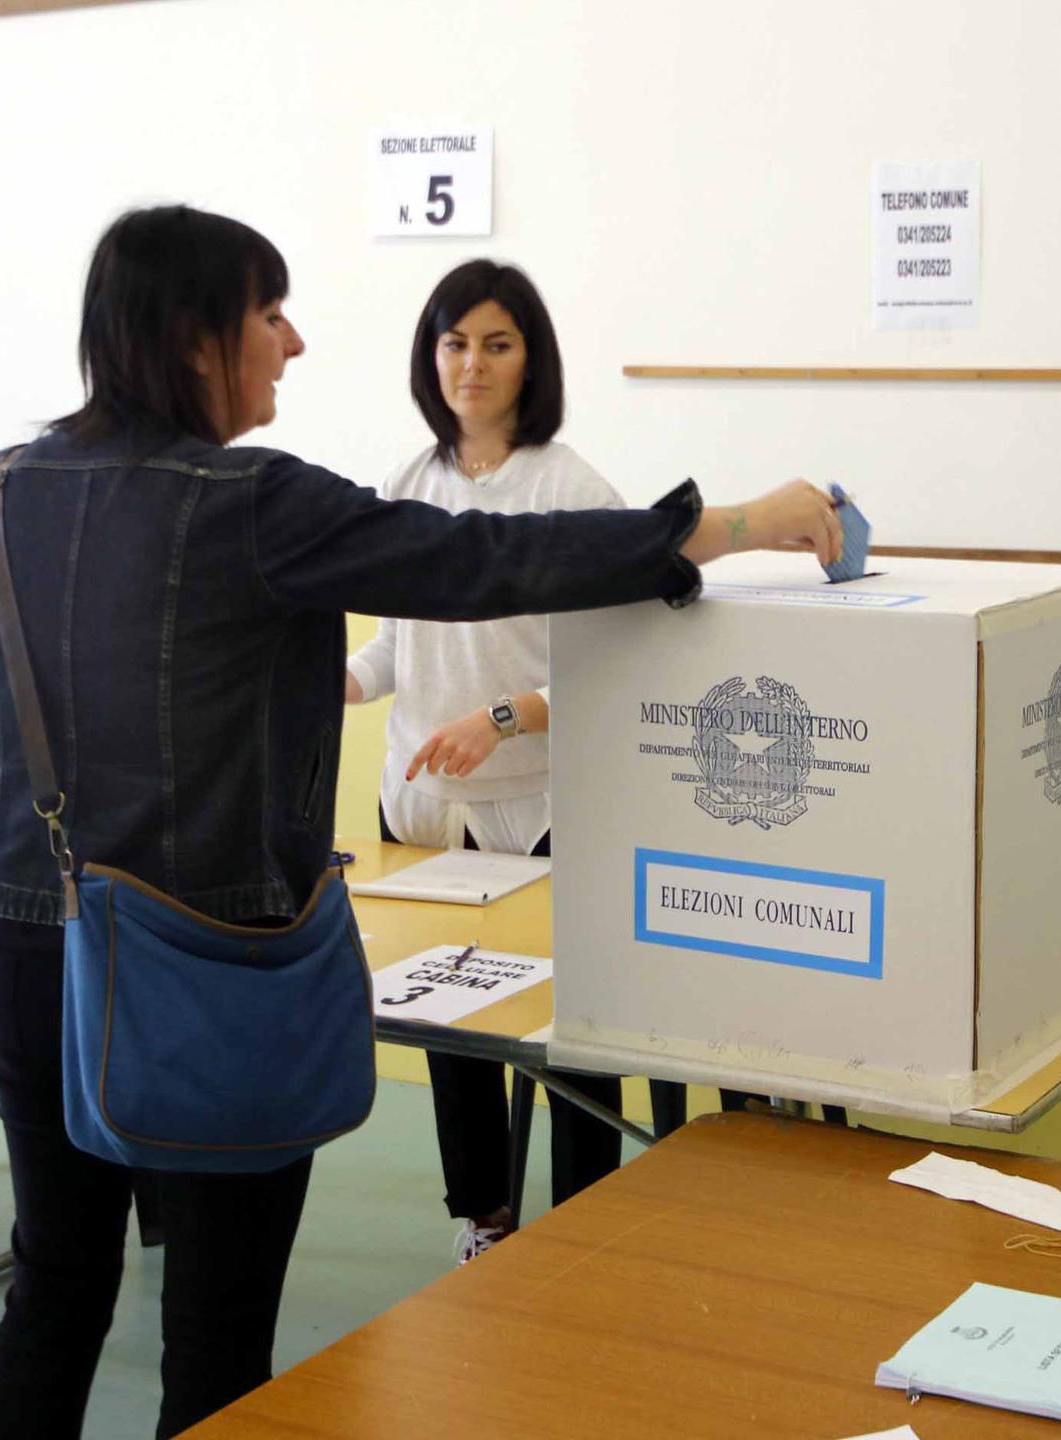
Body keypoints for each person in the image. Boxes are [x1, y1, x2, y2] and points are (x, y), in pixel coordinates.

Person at [0, 203, 842, 1440]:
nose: (292, 343)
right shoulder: (254, 502)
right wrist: (727, 527)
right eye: (270, 314)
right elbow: (488, 564)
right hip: (214, 962)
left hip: (30, 934)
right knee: (216, 1330)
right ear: (201, 338)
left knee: (57, 1283)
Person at [346, 259, 629, 1262]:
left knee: (571, 1028)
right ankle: (487, 1221)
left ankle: (588, 1225)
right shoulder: (406, 484)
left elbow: (621, 658)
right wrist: (342, 679)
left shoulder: (569, 485)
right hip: (423, 801)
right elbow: (397, 644)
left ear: (529, 358)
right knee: (450, 1024)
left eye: (496, 344)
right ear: (433, 355)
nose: (473, 363)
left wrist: (503, 716)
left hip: (541, 800)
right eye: (456, 342)